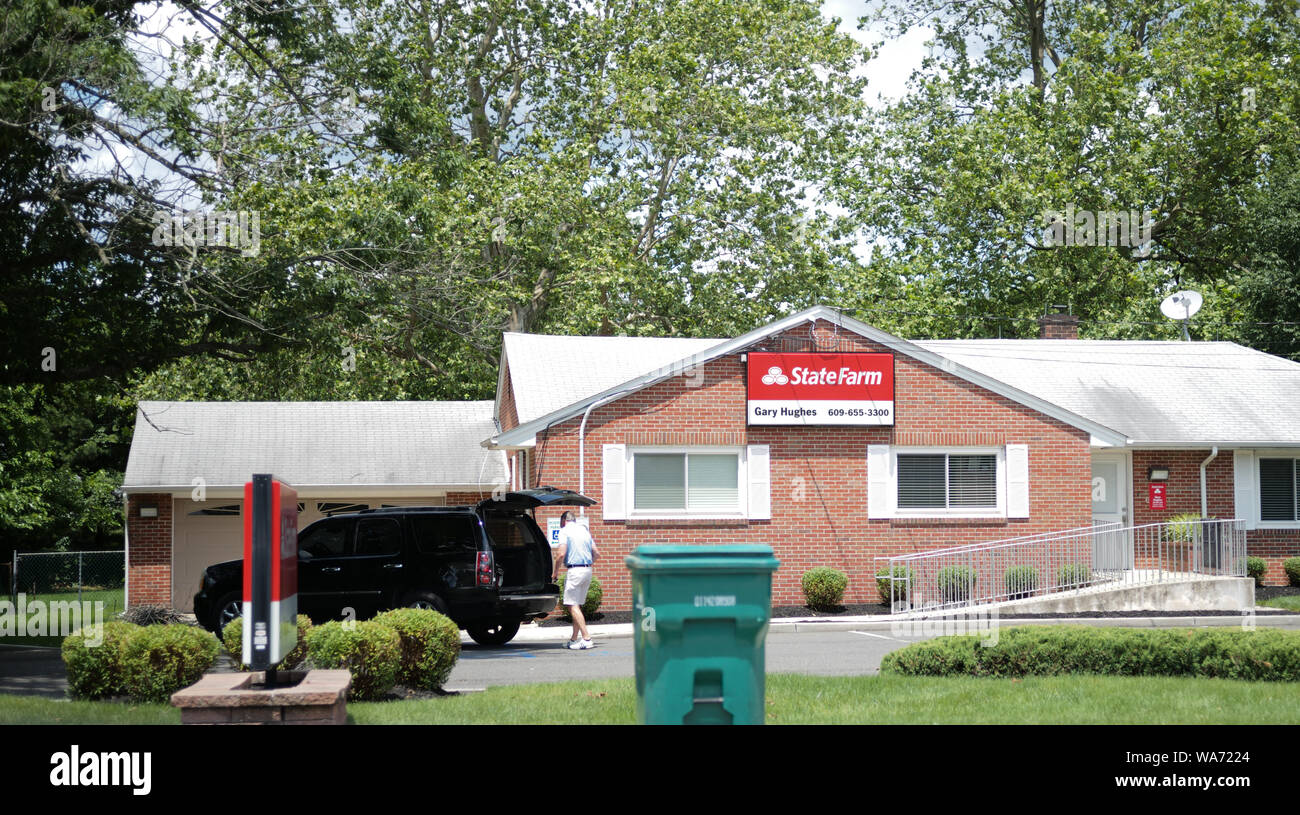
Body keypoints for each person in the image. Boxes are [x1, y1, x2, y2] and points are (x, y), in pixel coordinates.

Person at [554, 511, 598, 650]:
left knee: (572, 605)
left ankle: (586, 638)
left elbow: (561, 554)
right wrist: (587, 564)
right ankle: (574, 639)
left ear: (563, 521)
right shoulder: (584, 531)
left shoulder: (564, 531)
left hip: (575, 570)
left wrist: (555, 572)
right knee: (576, 605)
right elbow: (596, 553)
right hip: (587, 570)